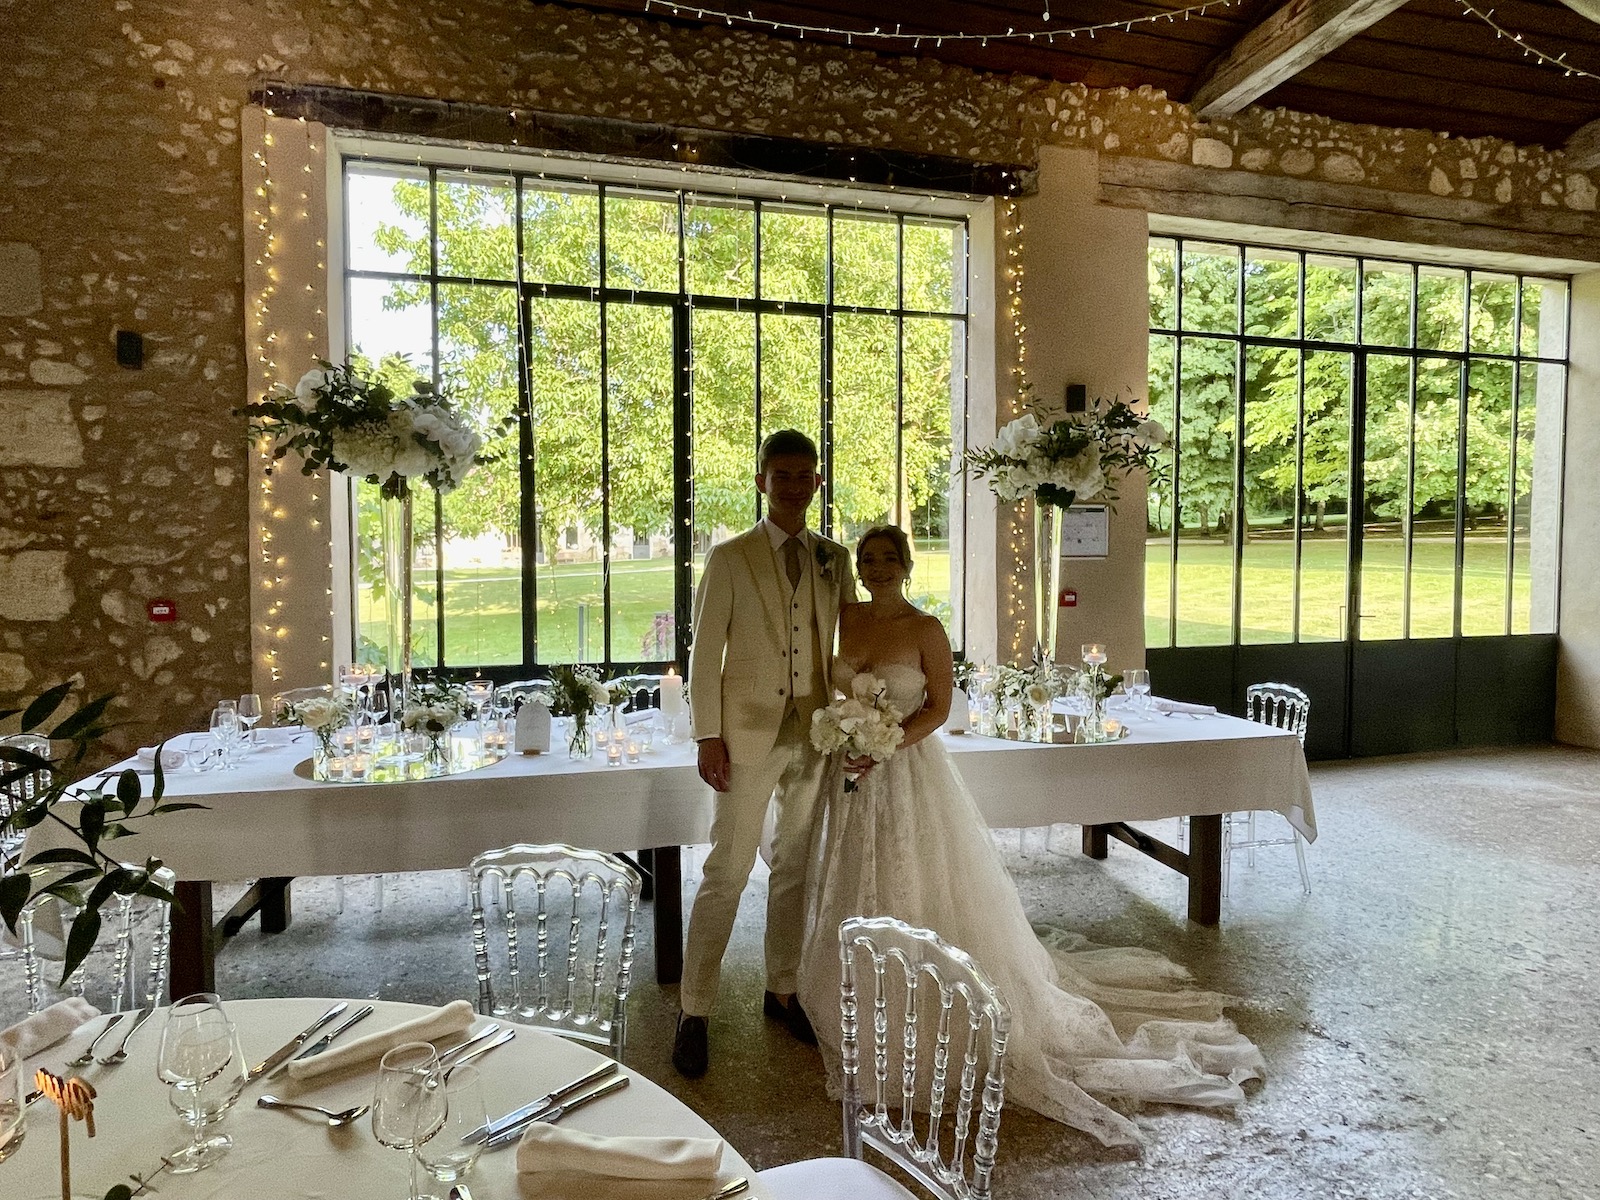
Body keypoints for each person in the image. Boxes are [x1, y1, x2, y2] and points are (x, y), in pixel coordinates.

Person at [795, 526, 1265, 1148]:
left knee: (919, 877)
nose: (877, 567)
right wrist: (848, 734)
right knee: (858, 873)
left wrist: (885, 743)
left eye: (888, 558)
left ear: (906, 565)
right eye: (868, 559)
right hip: (853, 774)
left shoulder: (925, 628)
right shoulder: (847, 619)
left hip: (905, 769)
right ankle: (859, 990)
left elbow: (938, 707)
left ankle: (929, 999)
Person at [674, 429, 857, 1078]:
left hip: (815, 731)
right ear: (761, 482)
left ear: (817, 482)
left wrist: (858, 718)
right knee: (727, 869)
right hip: (745, 734)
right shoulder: (731, 557)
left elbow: (850, 643)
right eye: (781, 475)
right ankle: (694, 1009)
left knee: (795, 866)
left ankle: (782, 989)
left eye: (805, 475)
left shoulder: (834, 558)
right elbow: (704, 656)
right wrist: (707, 734)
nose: (794, 485)